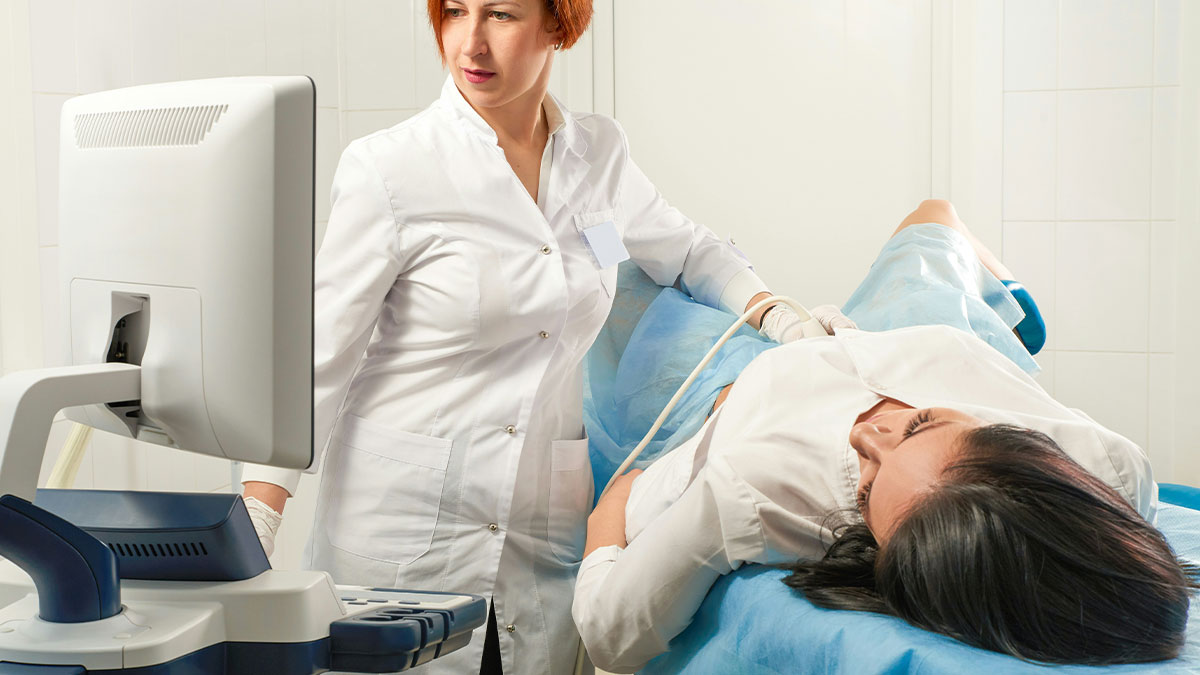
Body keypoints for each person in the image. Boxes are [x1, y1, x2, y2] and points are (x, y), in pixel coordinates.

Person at [235, 1, 843, 673]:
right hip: (400, 530)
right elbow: (319, 359)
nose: (469, 42)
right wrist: (258, 516)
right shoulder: (391, 169)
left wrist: (775, 312)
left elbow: (690, 249)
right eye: (454, 10)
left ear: (559, 23)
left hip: (539, 537)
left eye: (500, 14)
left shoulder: (598, 156)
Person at [573, 202, 1196, 673]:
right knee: (935, 213)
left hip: (732, 385)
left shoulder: (754, 494)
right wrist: (787, 318)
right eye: (920, 425)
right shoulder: (1112, 467)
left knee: (606, 263)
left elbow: (610, 629)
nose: (870, 432)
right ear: (1019, 444)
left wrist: (611, 517)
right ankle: (1006, 307)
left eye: (867, 485)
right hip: (916, 346)